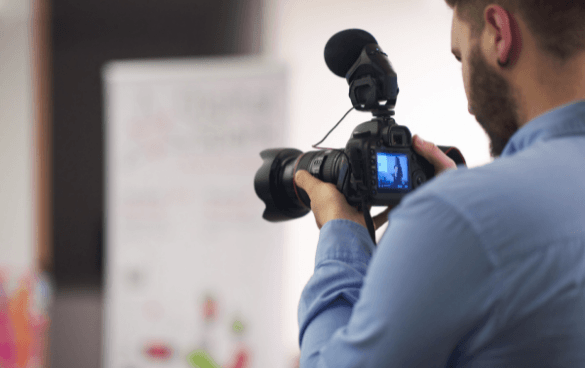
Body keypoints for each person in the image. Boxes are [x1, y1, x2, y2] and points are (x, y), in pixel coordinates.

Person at [293, 1, 585, 367]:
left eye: (462, 58)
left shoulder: (460, 217)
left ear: (499, 33)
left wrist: (341, 235)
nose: (469, 106)